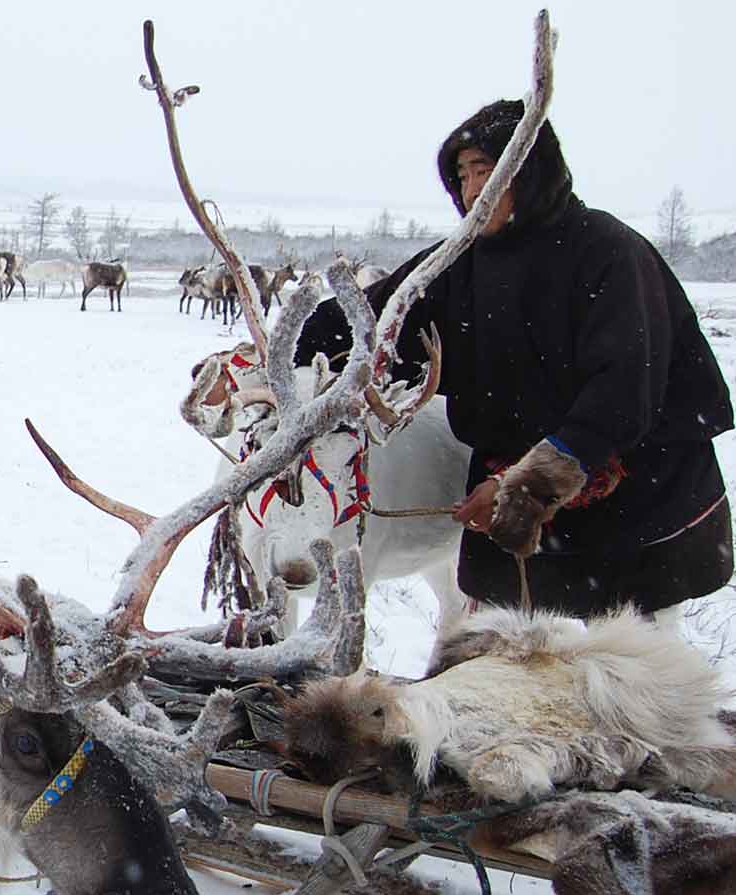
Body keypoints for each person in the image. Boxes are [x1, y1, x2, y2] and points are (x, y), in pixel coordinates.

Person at [295, 99, 733, 623]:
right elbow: (369, 321)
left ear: (531, 169)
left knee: (625, 659)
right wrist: (265, 361)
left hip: (635, 495)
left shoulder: (608, 250)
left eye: (488, 170)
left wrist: (518, 488)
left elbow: (622, 397)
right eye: (462, 176)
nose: (473, 189)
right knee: (508, 652)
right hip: (511, 498)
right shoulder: (459, 262)